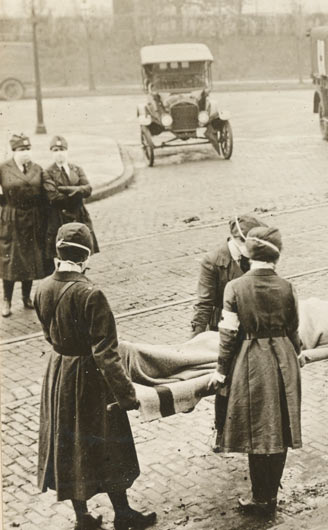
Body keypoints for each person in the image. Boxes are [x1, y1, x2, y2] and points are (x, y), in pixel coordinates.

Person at [34, 223, 156, 530]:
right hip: (90, 380)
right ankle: (124, 515)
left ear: (57, 253)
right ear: (86, 257)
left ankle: (82, 518)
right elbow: (106, 353)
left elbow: (48, 336)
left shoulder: (42, 288)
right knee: (109, 443)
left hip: (59, 374)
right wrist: (127, 395)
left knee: (69, 444)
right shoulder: (91, 294)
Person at [208, 225, 302, 520]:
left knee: (256, 428)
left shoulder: (235, 287)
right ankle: (270, 495)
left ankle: (260, 497)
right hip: (284, 360)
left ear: (249, 254)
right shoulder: (287, 287)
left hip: (250, 362)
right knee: (281, 425)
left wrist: (222, 370)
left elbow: (228, 335)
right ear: (276, 256)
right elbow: (293, 329)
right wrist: (295, 354)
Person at [190, 214, 264, 337]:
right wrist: (194, 341)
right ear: (237, 239)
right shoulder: (212, 261)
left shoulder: (257, 255)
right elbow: (204, 305)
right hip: (224, 328)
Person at [0, 133, 49, 317]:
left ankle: (26, 297)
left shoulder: (37, 169)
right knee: (10, 261)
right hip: (12, 219)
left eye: (27, 149)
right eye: (21, 150)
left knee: (29, 259)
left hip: (33, 220)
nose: (25, 153)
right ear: (14, 151)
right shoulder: (3, 168)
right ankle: (7, 300)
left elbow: (44, 195)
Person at [43, 135, 99, 267]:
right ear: (51, 153)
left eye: (62, 149)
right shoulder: (47, 173)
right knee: (61, 255)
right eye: (55, 150)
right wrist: (77, 191)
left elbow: (88, 189)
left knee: (82, 249)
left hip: (79, 215)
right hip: (59, 218)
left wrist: (65, 189)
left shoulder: (76, 169)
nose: (59, 153)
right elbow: (54, 197)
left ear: (67, 151)